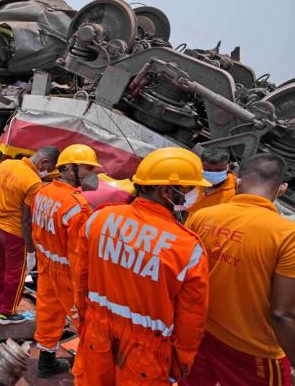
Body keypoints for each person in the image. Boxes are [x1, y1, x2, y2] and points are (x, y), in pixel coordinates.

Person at [74, 147, 210, 385]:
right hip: (145, 354)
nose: (191, 195)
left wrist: (88, 320)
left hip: (97, 334)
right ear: (167, 190)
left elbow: (81, 278)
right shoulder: (187, 247)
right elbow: (191, 319)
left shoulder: (100, 219)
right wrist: (180, 364)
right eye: (188, 189)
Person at [180, 153, 295, 386]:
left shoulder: (201, 216)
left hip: (198, 333)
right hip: (253, 350)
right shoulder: (286, 235)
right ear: (281, 188)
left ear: (238, 181)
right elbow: (282, 314)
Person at [31, 144, 98, 378]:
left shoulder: (43, 192)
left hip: (46, 264)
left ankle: (46, 362)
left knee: (48, 312)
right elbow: (80, 256)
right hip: (67, 274)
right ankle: (87, 375)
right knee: (87, 323)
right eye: (89, 168)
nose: (93, 174)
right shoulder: (77, 207)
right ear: (69, 169)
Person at [0, 146, 60, 325]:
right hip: (14, 233)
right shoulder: (33, 182)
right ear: (44, 163)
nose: (46, 173)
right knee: (15, 274)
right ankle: (7, 313)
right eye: (48, 169)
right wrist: (30, 251)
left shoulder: (5, 164)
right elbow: (27, 219)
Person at [186, 147, 235, 213]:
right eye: (208, 170)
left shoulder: (236, 189)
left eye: (219, 170)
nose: (213, 174)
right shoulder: (195, 181)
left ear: (228, 166)